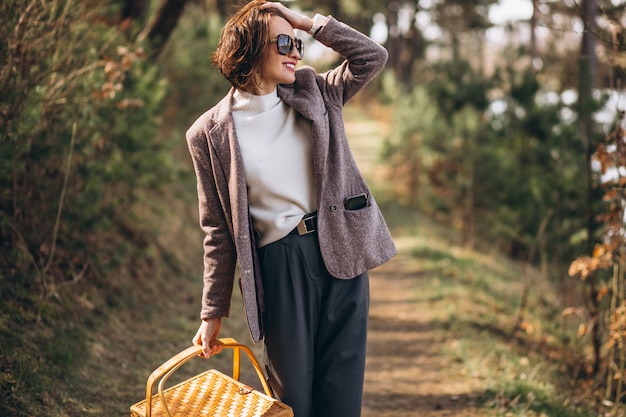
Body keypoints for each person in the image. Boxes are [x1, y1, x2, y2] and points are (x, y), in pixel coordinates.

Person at [186, 1, 396, 416]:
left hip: (342, 252)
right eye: (284, 41)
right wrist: (212, 312)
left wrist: (307, 22)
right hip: (280, 267)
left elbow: (373, 56)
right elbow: (217, 231)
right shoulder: (208, 134)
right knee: (292, 401)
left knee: (340, 398)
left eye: (297, 41)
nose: (295, 51)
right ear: (247, 48)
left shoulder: (316, 90)